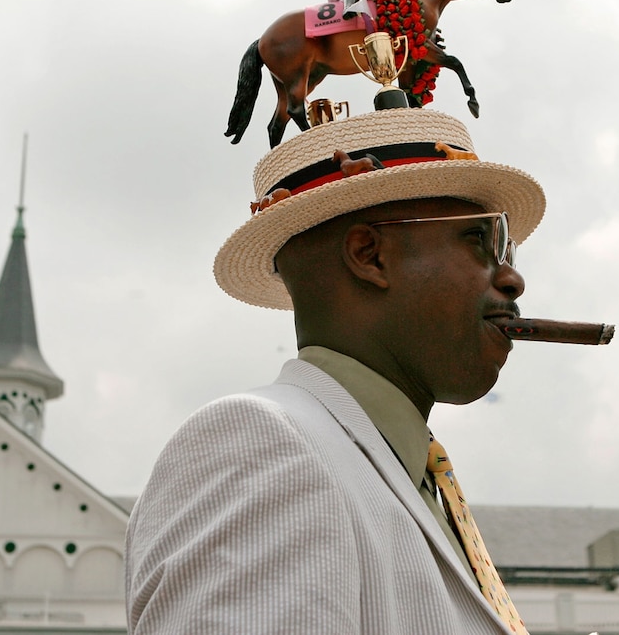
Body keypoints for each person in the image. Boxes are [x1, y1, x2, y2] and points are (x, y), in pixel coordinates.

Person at [125, 108, 546, 633]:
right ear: (369, 255)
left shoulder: (398, 476)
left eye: (507, 246)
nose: (512, 278)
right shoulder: (263, 445)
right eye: (480, 241)